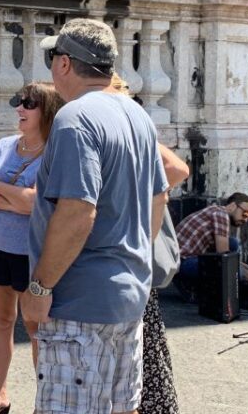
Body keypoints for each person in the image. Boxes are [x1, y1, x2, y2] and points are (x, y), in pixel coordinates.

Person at [22, 18, 170, 414]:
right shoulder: (138, 116)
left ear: (65, 64)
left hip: (78, 303)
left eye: (53, 57)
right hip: (128, 298)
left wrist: (39, 288)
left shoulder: (76, 118)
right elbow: (160, 198)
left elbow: (77, 211)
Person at [0, 83, 64, 414]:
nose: (19, 109)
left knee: (35, 326)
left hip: (32, 252)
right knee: (1, 320)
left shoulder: (54, 152)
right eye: (19, 102)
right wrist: (12, 194)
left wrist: (1, 187)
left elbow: (32, 205)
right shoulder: (6, 145)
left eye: (29, 104)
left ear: (47, 112)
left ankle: (45, 401)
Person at [110, 74, 188, 414]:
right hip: (123, 255)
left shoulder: (132, 127)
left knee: (140, 345)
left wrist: (138, 198)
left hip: (129, 254)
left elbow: (177, 169)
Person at [174, 193, 248, 301]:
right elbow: (224, 257)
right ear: (233, 205)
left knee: (232, 243)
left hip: (181, 259)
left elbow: (227, 254)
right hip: (182, 263)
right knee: (224, 261)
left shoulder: (216, 210)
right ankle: (189, 285)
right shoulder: (221, 215)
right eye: (245, 214)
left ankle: (192, 286)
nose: (245, 220)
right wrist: (244, 274)